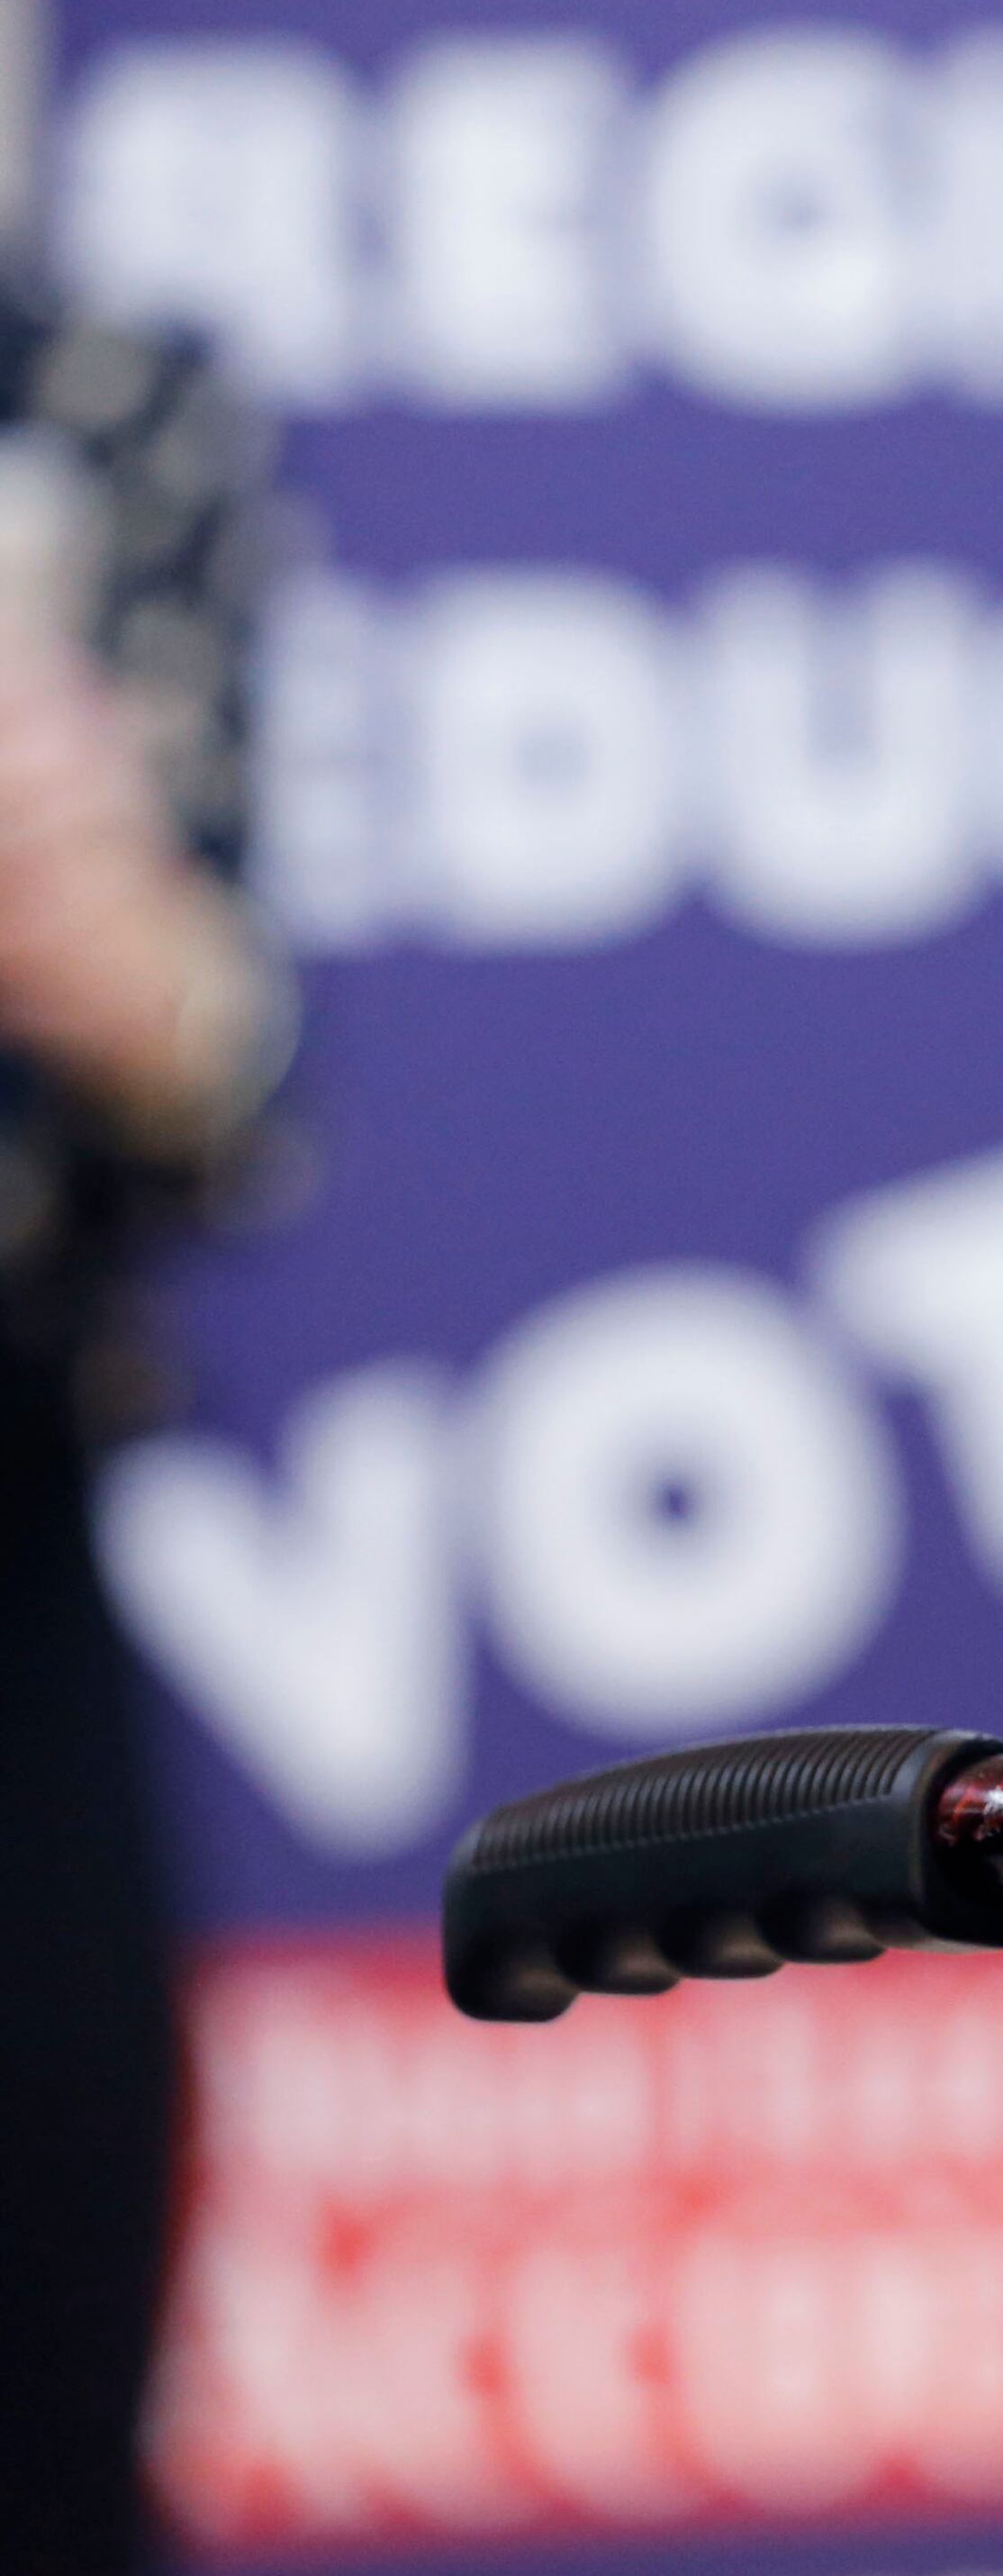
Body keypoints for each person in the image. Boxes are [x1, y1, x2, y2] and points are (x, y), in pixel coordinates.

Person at [0, 289, 280, 2576]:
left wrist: (114, 942)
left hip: (13, 1470)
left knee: (56, 2306)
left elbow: (230, 1092)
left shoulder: (98, 399)